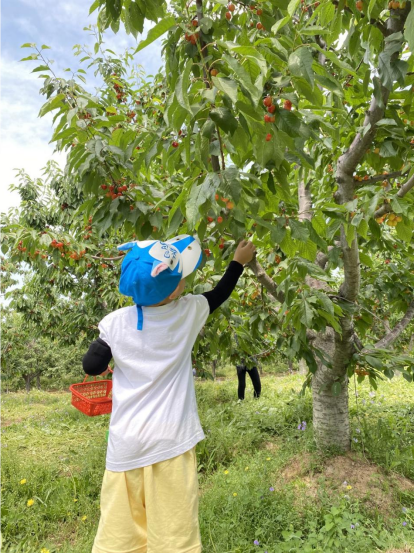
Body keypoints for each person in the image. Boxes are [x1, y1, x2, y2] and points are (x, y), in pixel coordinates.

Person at [82, 235, 256, 553]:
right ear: (175, 289)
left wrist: (115, 360)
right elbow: (219, 293)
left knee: (120, 533)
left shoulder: (114, 323)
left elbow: (92, 365)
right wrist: (238, 263)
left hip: (126, 448)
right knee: (174, 534)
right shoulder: (186, 313)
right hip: (171, 444)